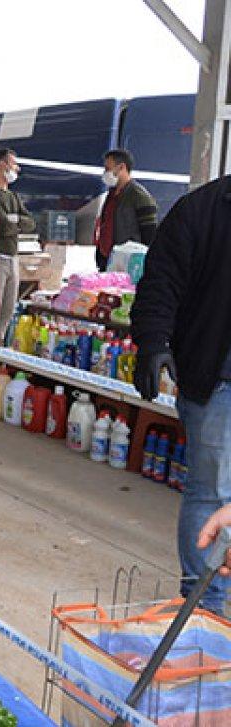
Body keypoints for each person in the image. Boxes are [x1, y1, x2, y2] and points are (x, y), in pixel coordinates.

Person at [132, 173, 231, 612]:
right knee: (210, 492)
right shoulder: (202, 210)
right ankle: (204, 606)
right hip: (217, 382)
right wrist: (154, 343)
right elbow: (160, 283)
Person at [0, 148, 36, 345]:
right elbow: (3, 226)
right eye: (14, 164)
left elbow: (30, 222)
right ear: (2, 164)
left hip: (13, 258)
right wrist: (15, 223)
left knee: (8, 309)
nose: (17, 168)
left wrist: (14, 221)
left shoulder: (13, 197)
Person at [93, 148, 157, 271]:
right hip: (108, 261)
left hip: (128, 264)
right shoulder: (111, 194)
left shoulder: (138, 195)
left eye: (108, 169)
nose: (105, 173)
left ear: (121, 167)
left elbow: (149, 233)